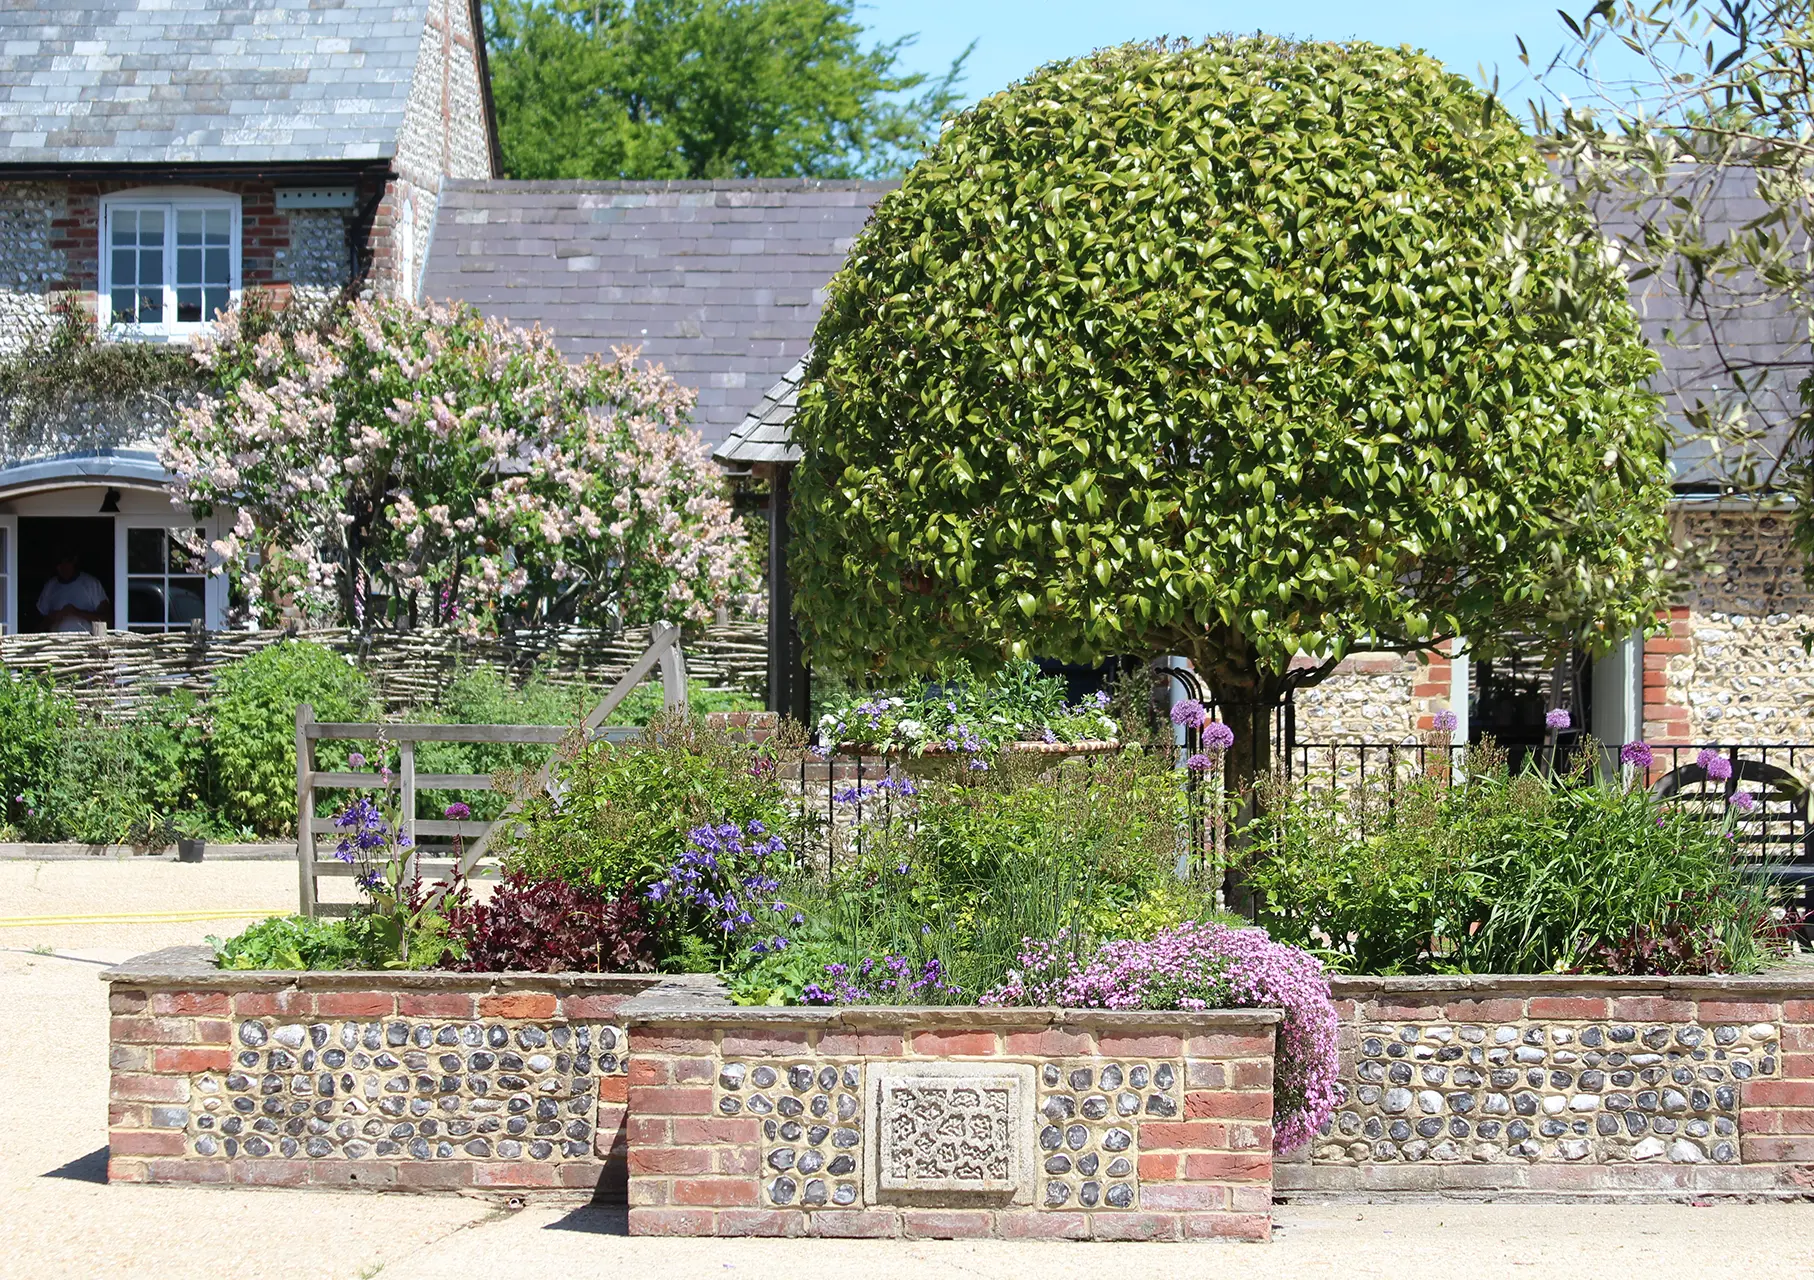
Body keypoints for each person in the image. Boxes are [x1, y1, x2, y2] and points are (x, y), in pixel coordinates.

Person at [37, 553, 109, 633]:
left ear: (75, 560)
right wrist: (57, 615)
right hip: (56, 643)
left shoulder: (91, 583)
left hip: (87, 642)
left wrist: (76, 612)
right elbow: (38, 626)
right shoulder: (50, 586)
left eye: (67, 562)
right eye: (59, 563)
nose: (63, 566)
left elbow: (106, 618)